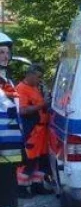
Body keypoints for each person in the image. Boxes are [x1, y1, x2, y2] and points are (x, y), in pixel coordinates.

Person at [0, 33, 29, 207]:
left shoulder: (6, 81)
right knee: (6, 191)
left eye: (7, 52)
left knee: (7, 189)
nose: (5, 56)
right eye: (1, 52)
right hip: (2, 146)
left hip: (9, 146)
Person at [16, 65, 52, 197]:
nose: (39, 80)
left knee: (41, 159)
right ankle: (21, 188)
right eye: (38, 77)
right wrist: (42, 105)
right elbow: (23, 110)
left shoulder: (35, 87)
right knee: (28, 160)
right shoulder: (21, 89)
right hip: (31, 130)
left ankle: (37, 185)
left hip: (42, 130)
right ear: (30, 75)